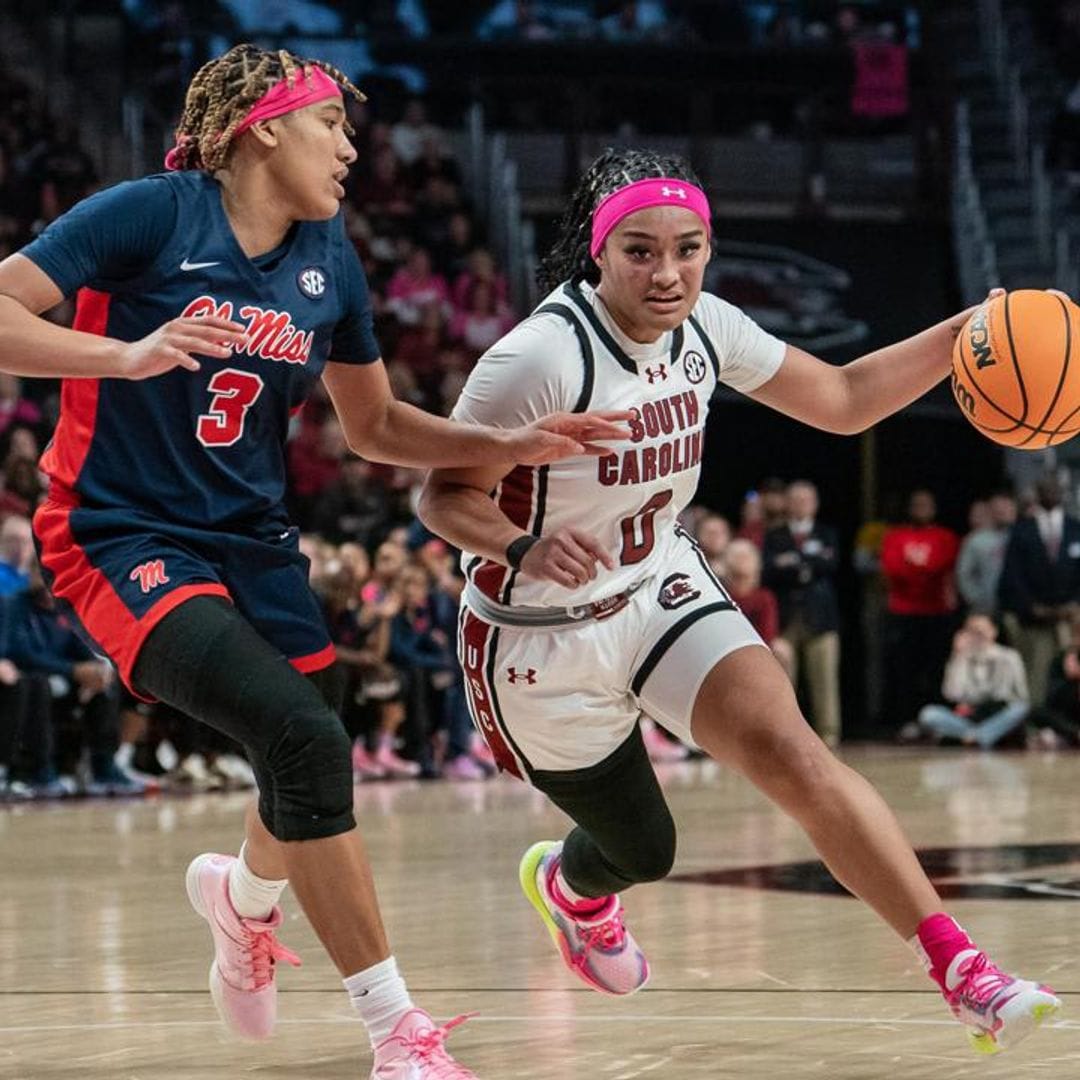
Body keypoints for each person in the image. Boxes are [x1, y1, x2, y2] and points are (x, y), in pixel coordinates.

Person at [0, 43, 627, 1078]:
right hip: (119, 533)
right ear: (263, 127)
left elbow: (375, 427)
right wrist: (124, 353)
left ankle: (241, 902)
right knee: (301, 738)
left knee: (316, 726)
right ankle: (399, 1034)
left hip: (253, 542)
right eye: (333, 123)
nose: (350, 146)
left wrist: (507, 445)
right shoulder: (151, 213)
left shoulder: (329, 255)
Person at [419, 146, 1059, 1055]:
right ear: (597, 253)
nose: (668, 272)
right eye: (640, 250)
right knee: (646, 849)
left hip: (656, 588)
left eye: (689, 248)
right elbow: (442, 498)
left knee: (798, 756)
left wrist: (967, 332)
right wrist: (523, 544)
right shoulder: (537, 359)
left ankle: (963, 970)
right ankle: (572, 888)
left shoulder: (707, 328)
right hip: (537, 637)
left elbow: (840, 399)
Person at [761, 479, 842, 746]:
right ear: (787, 503)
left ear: (815, 504)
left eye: (806, 500)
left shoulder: (826, 532)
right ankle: (786, 738)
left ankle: (828, 737)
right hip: (785, 619)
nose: (801, 505)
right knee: (784, 682)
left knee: (824, 681)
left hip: (821, 618)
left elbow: (831, 564)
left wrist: (794, 563)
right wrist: (806, 563)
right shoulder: (774, 536)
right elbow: (769, 570)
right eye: (796, 500)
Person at [880, 488, 960, 737]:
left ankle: (937, 725)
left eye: (926, 505)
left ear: (934, 509)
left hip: (936, 612)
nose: (921, 509)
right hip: (904, 612)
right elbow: (892, 569)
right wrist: (922, 568)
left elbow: (942, 566)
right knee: (905, 671)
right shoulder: (894, 537)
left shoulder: (946, 537)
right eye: (917, 504)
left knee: (937, 669)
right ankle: (908, 721)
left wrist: (915, 567)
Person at [999, 474, 1080, 707]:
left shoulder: (1076, 528)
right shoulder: (1021, 530)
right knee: (1036, 672)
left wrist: (1074, 604)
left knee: (1070, 671)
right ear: (1037, 493)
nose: (1051, 493)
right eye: (1045, 488)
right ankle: (1036, 720)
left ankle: (1068, 722)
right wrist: (1032, 607)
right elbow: (1012, 575)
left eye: (1056, 488)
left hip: (1071, 618)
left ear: (1064, 492)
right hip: (1034, 618)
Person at [916, 614, 1030, 749]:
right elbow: (951, 694)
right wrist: (958, 657)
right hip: (970, 715)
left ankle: (972, 737)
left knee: (1020, 709)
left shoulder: (1009, 657)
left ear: (994, 631)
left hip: (997, 713)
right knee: (929, 713)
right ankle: (980, 737)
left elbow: (1021, 695)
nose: (977, 636)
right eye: (972, 631)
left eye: (981, 631)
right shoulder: (962, 658)